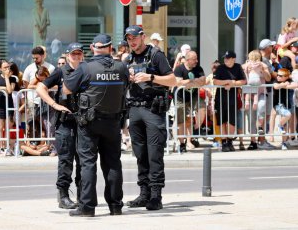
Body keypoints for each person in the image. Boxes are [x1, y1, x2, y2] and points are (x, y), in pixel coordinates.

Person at [62, 34, 129, 217]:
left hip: (89, 123)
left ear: (93, 47)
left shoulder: (86, 67)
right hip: (114, 122)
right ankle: (116, 206)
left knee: (88, 164)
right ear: (109, 47)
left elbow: (67, 89)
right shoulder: (121, 67)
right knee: (113, 164)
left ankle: (87, 207)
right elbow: (125, 89)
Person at [124, 25, 176, 211]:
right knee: (140, 155)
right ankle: (144, 194)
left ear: (143, 37)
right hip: (135, 109)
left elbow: (172, 80)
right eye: (129, 39)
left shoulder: (156, 55)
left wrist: (150, 77)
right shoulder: (128, 58)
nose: (132, 42)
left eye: (135, 38)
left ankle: (156, 195)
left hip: (153, 109)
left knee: (155, 154)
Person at [35, 43, 84, 210]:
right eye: (73, 54)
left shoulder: (86, 70)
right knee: (66, 160)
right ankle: (63, 195)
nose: (76, 57)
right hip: (65, 122)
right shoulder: (61, 71)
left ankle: (83, 195)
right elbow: (40, 88)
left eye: (79, 54)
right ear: (68, 55)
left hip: (83, 122)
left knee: (83, 161)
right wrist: (54, 104)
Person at [213, 51, 247, 152]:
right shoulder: (220, 68)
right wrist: (227, 82)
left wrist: (233, 84)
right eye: (225, 58)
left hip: (233, 98)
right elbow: (215, 81)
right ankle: (223, 142)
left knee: (232, 121)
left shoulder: (238, 67)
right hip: (220, 98)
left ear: (233, 59)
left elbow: (244, 81)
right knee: (222, 120)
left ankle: (229, 140)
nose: (225, 60)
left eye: (228, 58)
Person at [174, 50, 206, 152]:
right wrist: (192, 81)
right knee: (181, 121)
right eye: (194, 59)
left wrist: (189, 83)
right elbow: (178, 82)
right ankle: (182, 143)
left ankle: (192, 134)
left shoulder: (198, 68)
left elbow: (203, 81)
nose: (196, 61)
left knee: (201, 107)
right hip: (180, 98)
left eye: (196, 59)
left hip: (193, 96)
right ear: (187, 60)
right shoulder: (179, 69)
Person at [0, 60, 16, 156]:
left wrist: (6, 78)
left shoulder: (12, 78)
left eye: (8, 67)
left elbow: (10, 90)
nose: (7, 69)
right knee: (0, 127)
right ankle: (1, 147)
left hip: (8, 104)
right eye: (5, 67)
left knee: (8, 127)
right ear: (0, 69)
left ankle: (8, 147)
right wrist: (2, 88)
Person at [273, 68, 293, 150]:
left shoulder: (289, 81)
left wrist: (286, 85)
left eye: (280, 76)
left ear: (286, 77)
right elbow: (276, 86)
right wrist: (284, 85)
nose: (278, 76)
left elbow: (295, 85)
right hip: (279, 105)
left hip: (287, 105)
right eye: (277, 75)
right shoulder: (276, 81)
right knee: (288, 115)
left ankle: (283, 143)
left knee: (285, 128)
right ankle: (279, 125)